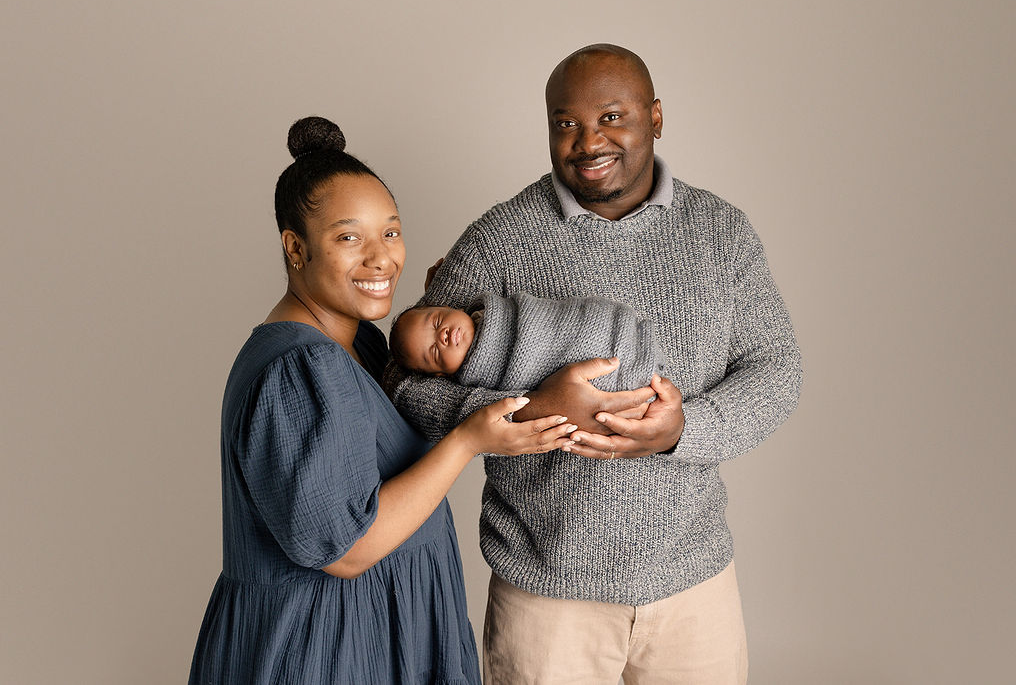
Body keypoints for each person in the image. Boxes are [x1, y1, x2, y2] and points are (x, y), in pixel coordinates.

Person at [387, 45, 803, 684]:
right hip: (547, 596)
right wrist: (527, 413)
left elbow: (775, 370)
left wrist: (683, 430)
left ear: (656, 117)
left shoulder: (721, 233)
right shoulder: (501, 239)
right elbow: (406, 382)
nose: (588, 141)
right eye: (565, 123)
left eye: (612, 116)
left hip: (693, 587)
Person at [187, 116, 575, 685]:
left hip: (381, 630)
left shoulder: (358, 341)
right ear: (295, 248)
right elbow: (346, 550)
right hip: (325, 646)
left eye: (390, 232)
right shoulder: (299, 369)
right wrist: (468, 440)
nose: (381, 258)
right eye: (349, 238)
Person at [388, 292, 665, 391]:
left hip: (594, 324)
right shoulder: (481, 383)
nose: (444, 336)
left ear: (447, 307)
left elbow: (556, 318)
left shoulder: (500, 309)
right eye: (434, 351)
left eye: (437, 322)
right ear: (440, 374)